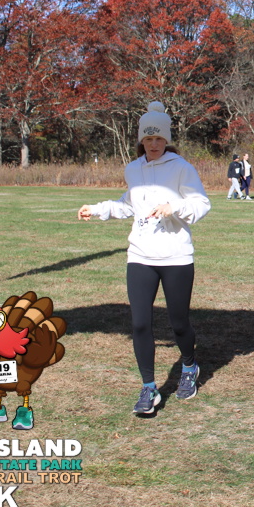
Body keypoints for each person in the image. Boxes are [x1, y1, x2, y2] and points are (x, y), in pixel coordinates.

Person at [78, 102, 211, 415]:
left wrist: (175, 208)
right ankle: (149, 388)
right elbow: (128, 205)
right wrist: (97, 209)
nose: (153, 144)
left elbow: (201, 204)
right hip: (140, 256)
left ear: (166, 140)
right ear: (141, 140)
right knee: (139, 323)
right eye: (148, 139)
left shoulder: (181, 168)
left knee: (179, 323)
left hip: (176, 257)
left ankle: (189, 366)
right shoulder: (133, 169)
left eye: (159, 138)